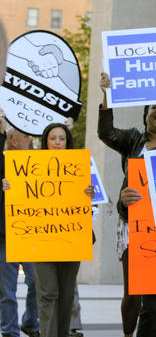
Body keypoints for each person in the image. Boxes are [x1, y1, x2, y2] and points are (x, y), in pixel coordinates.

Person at [97, 73, 156, 337]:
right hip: (134, 226)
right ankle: (129, 334)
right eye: (154, 107)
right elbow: (106, 132)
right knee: (134, 291)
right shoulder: (132, 140)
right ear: (145, 116)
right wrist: (107, 95)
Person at [3, 123, 94, 337]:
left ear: (67, 142)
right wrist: (10, 187)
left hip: (71, 240)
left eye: (62, 139)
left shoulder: (79, 167)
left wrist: (88, 194)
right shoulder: (30, 166)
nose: (57, 143)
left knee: (66, 295)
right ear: (45, 141)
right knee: (47, 294)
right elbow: (21, 198)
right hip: (41, 241)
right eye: (53, 138)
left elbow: (85, 210)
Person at [0, 124, 40, 337]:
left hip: (29, 236)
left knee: (36, 282)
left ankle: (30, 322)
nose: (31, 140)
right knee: (7, 291)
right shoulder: (3, 163)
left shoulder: (35, 164)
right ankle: (9, 331)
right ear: (13, 140)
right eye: (26, 136)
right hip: (5, 237)